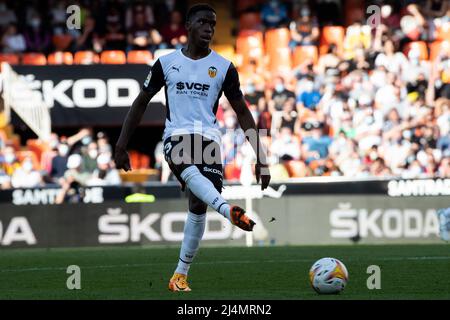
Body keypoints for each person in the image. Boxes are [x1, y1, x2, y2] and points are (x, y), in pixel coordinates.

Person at [114, 4, 271, 292]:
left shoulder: (224, 67)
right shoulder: (166, 63)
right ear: (188, 25)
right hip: (177, 136)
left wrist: (262, 157)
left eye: (213, 23)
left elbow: (244, 112)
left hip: (210, 140)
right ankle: (227, 210)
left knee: (198, 204)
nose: (209, 28)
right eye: (203, 22)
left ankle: (179, 276)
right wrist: (121, 144)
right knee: (189, 171)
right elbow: (140, 103)